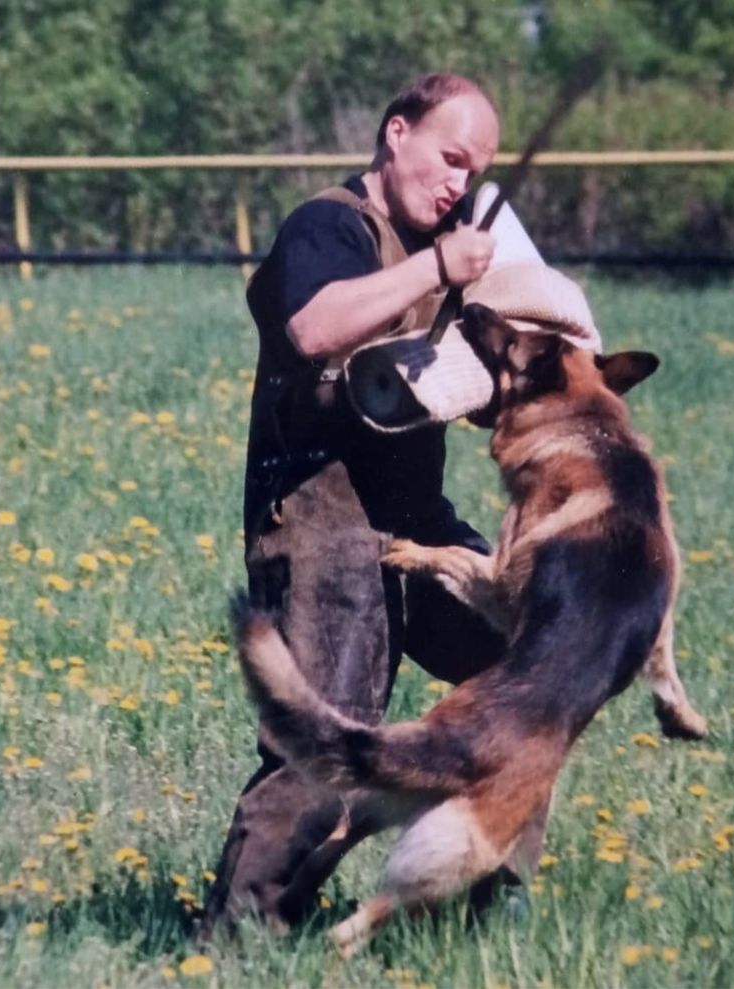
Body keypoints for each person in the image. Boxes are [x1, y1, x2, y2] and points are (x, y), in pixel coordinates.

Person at [201, 74, 513, 935]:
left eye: (473, 171)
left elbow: (474, 377)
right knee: (322, 738)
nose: (457, 183)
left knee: (524, 671)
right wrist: (436, 267)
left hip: (415, 518)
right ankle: (238, 937)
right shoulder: (329, 225)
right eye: (448, 158)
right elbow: (313, 326)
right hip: (317, 514)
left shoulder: (452, 242)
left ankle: (478, 889)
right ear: (396, 132)